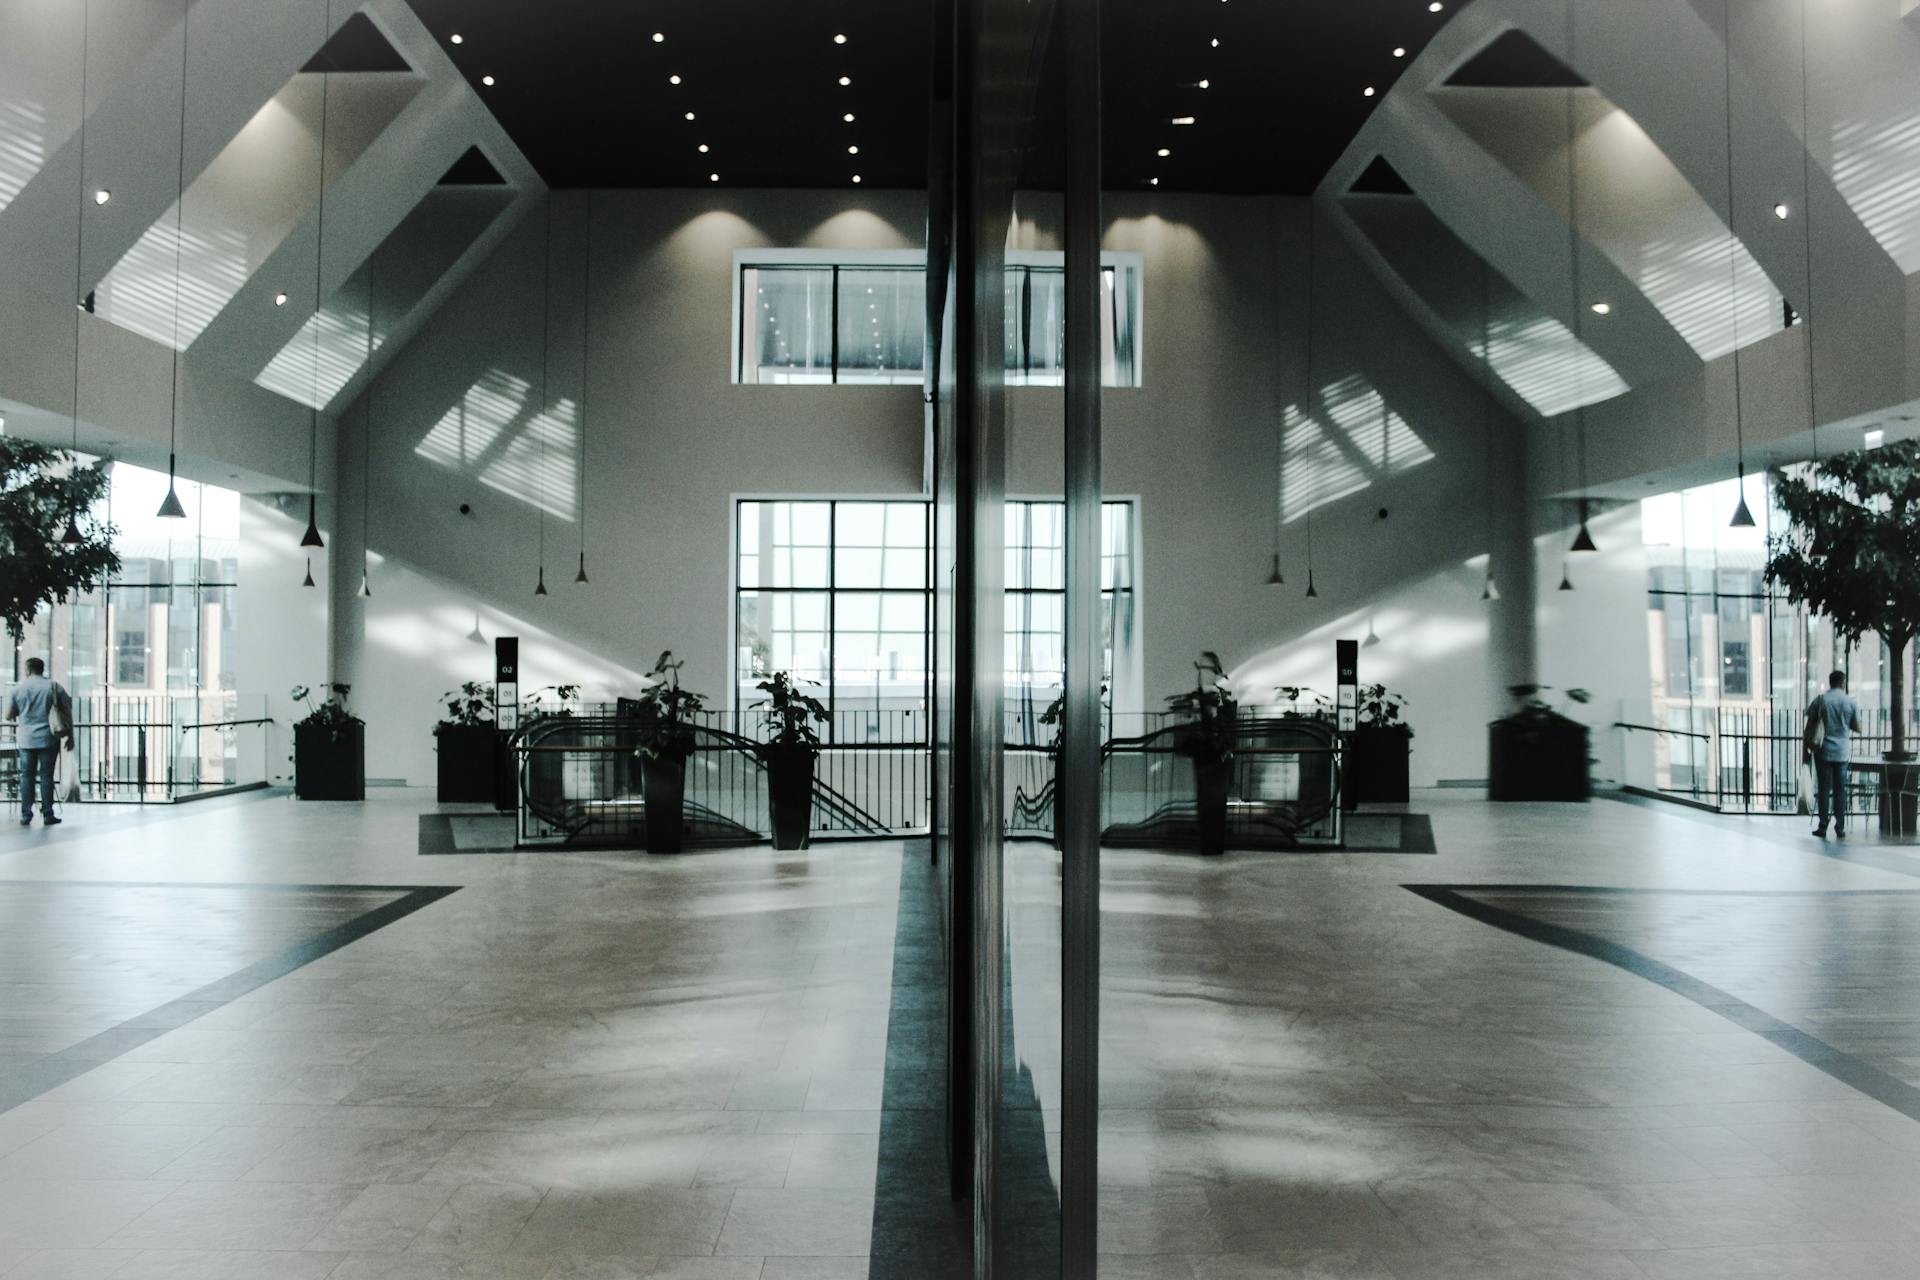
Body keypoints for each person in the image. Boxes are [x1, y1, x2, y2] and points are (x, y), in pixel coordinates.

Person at [6, 658, 73, 827]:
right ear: (42, 669)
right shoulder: (53, 687)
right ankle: (47, 813)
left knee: (26, 776)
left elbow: (8, 715)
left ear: (27, 670)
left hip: (26, 739)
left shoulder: (18, 689)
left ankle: (26, 814)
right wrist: (70, 736)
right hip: (48, 738)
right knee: (46, 776)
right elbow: (67, 709)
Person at [1806, 669, 1863, 840]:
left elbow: (1809, 726)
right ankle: (1840, 827)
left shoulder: (1820, 700)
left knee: (1823, 789)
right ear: (1843, 683)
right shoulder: (1850, 702)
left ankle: (1822, 826)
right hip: (1842, 752)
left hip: (1823, 751)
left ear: (1830, 682)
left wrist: (1806, 750)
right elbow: (1858, 728)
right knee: (1840, 790)